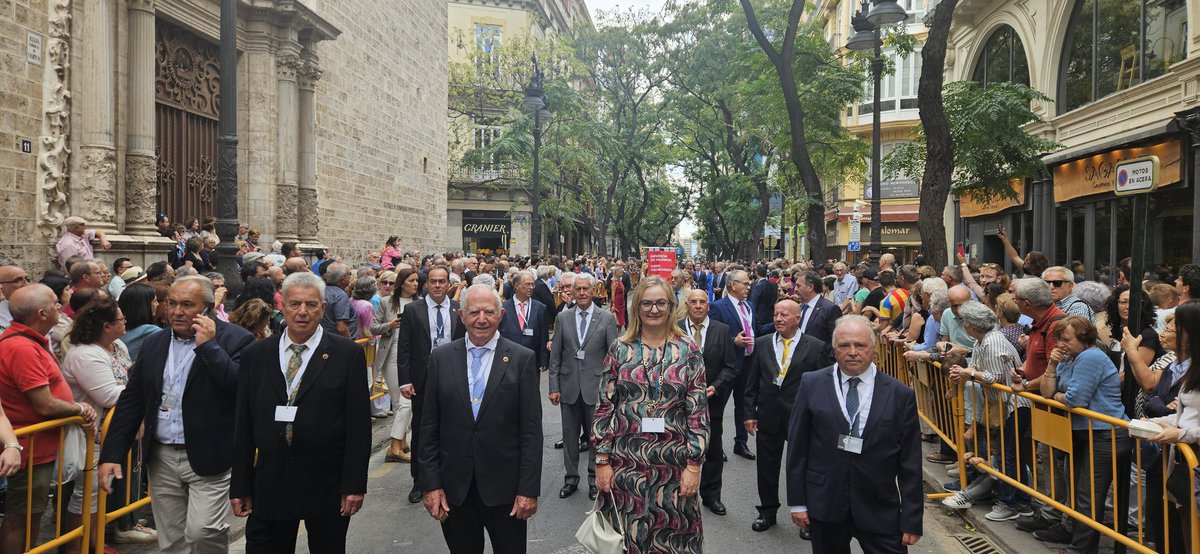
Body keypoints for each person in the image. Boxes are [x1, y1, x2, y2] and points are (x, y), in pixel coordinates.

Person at [98, 276, 255, 553]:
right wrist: (112, 454)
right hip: (162, 456)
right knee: (171, 541)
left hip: (211, 456)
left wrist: (209, 347)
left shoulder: (235, 339)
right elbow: (132, 401)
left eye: (187, 304)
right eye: (172, 303)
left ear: (207, 308)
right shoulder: (154, 343)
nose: (177, 311)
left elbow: (241, 388)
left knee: (202, 531)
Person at [229, 272, 370, 552]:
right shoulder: (256, 355)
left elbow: (358, 425)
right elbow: (243, 425)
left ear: (322, 309)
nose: (302, 312)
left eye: (311, 305)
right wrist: (241, 485)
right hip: (271, 482)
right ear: (283, 307)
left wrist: (354, 484)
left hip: (326, 482)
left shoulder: (346, 354)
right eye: (295, 304)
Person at [418, 284, 542, 554]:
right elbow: (428, 427)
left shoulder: (522, 359)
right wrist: (431, 485)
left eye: (489, 311)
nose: (481, 319)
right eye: (474, 312)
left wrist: (528, 489)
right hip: (455, 491)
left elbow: (531, 432)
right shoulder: (440, 358)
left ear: (500, 315)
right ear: (461, 316)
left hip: (506, 491)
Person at [786, 315, 923, 552]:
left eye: (860, 345)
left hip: (879, 508)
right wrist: (797, 502)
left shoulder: (900, 395)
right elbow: (798, 448)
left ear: (873, 347)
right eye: (844, 345)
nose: (852, 352)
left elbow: (910, 463)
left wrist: (911, 519)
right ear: (834, 349)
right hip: (825, 505)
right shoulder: (812, 384)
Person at [593, 276, 709, 553]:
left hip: (674, 466)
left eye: (660, 303)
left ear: (671, 306)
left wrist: (694, 465)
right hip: (625, 466)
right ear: (637, 308)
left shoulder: (688, 351)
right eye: (646, 303)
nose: (653, 309)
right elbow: (605, 406)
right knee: (626, 538)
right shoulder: (620, 349)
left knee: (672, 538)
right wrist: (601, 461)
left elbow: (698, 413)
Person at [0, 285, 99, 553]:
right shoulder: (22, 348)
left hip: (37, 447)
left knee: (30, 515)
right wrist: (79, 409)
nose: (60, 306)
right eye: (56, 303)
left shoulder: (29, 341)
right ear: (42, 313)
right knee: (23, 517)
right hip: (30, 450)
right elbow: (43, 405)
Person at [60, 296, 158, 547]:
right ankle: (77, 548)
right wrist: (133, 388)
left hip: (113, 431)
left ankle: (94, 542)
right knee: (87, 494)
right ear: (106, 326)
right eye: (120, 319)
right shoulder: (85, 355)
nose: (125, 322)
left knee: (98, 494)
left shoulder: (119, 347)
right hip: (91, 433)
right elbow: (109, 395)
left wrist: (127, 387)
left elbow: (127, 383)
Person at [1035, 316, 1132, 552]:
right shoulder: (1070, 357)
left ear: (1084, 338)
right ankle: (1078, 545)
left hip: (1104, 434)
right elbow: (1047, 392)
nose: (1061, 345)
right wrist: (1051, 366)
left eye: (1067, 340)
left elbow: (1075, 399)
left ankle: (1081, 549)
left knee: (1088, 497)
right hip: (1085, 433)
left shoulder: (1090, 357)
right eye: (1059, 340)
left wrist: (1060, 396)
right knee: (1081, 494)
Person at [744, 299, 834, 535]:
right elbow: (751, 383)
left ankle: (805, 517)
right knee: (766, 467)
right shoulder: (763, 343)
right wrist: (749, 413)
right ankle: (767, 512)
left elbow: (824, 387)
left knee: (803, 468)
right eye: (775, 314)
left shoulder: (815, 347)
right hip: (768, 416)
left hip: (802, 418)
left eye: (784, 314)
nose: (778, 318)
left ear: (797, 318)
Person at [396, 266, 464, 503]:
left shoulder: (458, 311)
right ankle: (420, 481)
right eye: (433, 281)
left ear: (448, 284)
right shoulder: (413, 310)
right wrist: (404, 380)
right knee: (423, 430)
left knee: (455, 427)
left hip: (454, 378)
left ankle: (452, 475)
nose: (437, 285)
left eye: (441, 281)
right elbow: (404, 348)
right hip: (423, 380)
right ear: (427, 284)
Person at [549, 273, 619, 500]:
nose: (581, 293)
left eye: (585, 289)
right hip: (568, 386)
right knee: (570, 436)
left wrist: (610, 388)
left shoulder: (606, 318)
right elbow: (556, 355)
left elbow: (613, 356)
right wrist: (553, 385)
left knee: (595, 437)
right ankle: (571, 479)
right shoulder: (564, 317)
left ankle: (593, 480)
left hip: (596, 388)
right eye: (577, 289)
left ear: (593, 291)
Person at [679, 289, 736, 516]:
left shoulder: (722, 331)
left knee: (712, 450)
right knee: (681, 448)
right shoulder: (676, 330)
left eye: (702, 302)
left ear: (708, 306)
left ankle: (712, 496)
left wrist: (717, 386)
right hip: (679, 403)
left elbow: (731, 367)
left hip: (712, 403)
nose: (698, 306)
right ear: (688, 305)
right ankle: (681, 492)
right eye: (694, 302)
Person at [708, 269, 757, 460]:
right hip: (728, 365)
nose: (748, 287)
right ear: (733, 285)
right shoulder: (719, 307)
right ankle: (716, 446)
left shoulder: (750, 306)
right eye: (745, 284)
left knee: (743, 406)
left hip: (748, 363)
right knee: (718, 408)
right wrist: (732, 340)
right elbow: (712, 335)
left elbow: (755, 330)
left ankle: (741, 443)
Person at [376, 268, 419, 462]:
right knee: (403, 402)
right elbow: (372, 326)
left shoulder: (420, 304)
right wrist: (389, 326)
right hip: (391, 354)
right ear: (402, 283)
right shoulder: (386, 303)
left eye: (417, 281)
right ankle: (395, 446)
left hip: (412, 356)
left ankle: (400, 443)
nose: (415, 284)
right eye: (411, 281)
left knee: (403, 403)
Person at [499, 270, 550, 372]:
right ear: (517, 286)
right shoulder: (503, 308)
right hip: (508, 358)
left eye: (532, 285)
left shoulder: (540, 308)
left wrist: (544, 360)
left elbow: (544, 336)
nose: (531, 287)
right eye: (527, 284)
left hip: (532, 360)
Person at [320, 263, 356, 338]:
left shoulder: (321, 291)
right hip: (337, 342)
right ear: (342, 279)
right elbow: (341, 327)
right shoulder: (340, 295)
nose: (350, 276)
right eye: (349, 274)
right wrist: (350, 345)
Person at [0, 263, 31, 332]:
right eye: (18, 280)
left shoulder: (35, 304)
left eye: (27, 279)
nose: (27, 285)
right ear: (1, 286)